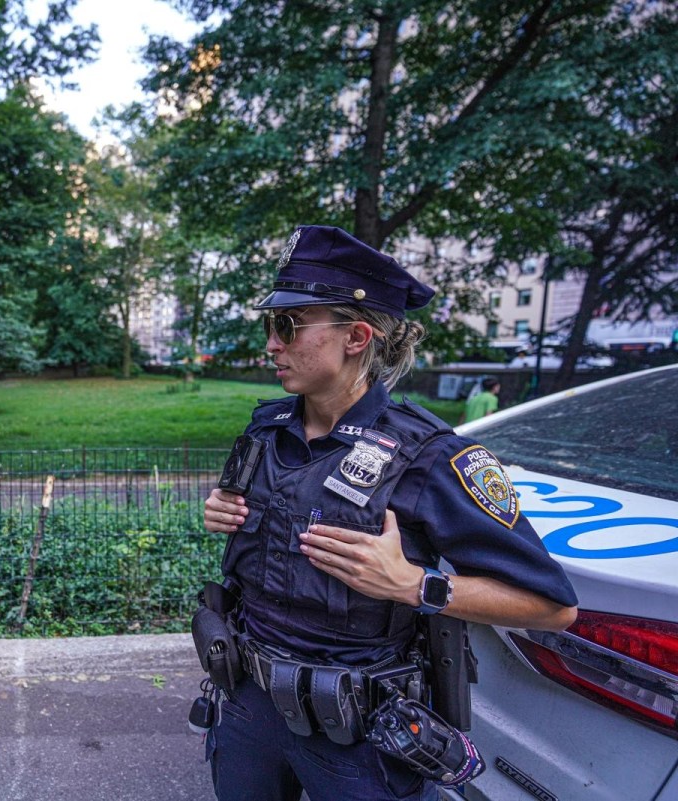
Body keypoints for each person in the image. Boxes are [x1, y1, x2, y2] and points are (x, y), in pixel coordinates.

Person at [200, 225, 577, 801]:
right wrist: (223, 512)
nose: (271, 345)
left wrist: (415, 585)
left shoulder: (430, 455)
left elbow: (552, 607)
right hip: (246, 706)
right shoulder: (266, 431)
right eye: (270, 326)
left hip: (354, 734)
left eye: (289, 326)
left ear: (356, 336)